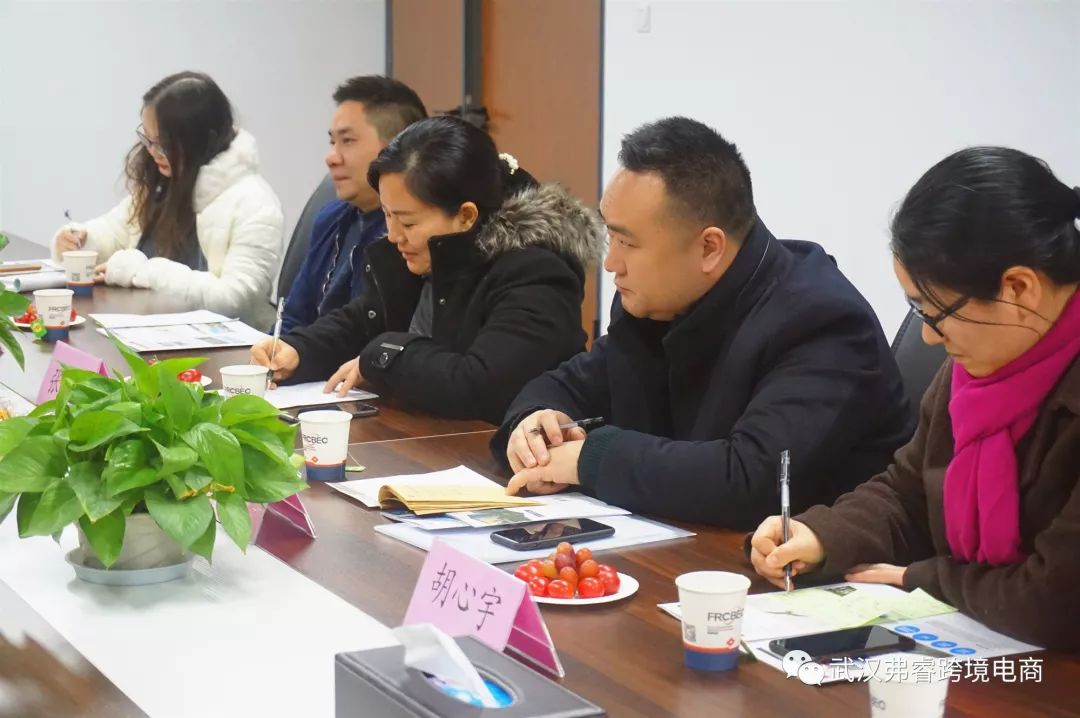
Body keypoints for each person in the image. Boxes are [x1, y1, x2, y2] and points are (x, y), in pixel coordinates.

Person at [496, 117, 913, 529]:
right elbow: (569, 384)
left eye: (627, 242)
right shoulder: (658, 303)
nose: (611, 263)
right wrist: (535, 424)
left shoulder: (822, 322)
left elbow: (753, 479)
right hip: (679, 546)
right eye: (611, 237)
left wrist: (592, 457)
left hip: (801, 563)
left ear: (709, 247)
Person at [750, 147, 1080, 650]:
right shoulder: (973, 371)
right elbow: (909, 492)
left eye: (935, 312)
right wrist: (822, 535)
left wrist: (920, 578)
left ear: (1018, 288)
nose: (928, 337)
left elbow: (1055, 601)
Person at [250, 116, 603, 423]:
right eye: (387, 215)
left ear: (466, 216)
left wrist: (383, 354)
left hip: (501, 454)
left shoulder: (535, 271)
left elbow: (479, 385)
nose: (393, 235)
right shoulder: (426, 249)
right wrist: (299, 350)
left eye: (407, 222)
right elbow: (363, 319)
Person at [53, 71, 282, 327]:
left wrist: (142, 271)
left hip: (223, 344)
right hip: (150, 331)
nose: (152, 152)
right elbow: (115, 231)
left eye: (163, 144)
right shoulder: (167, 182)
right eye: (148, 140)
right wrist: (81, 241)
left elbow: (234, 301)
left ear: (201, 139)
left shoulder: (255, 204)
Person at [280, 76, 427, 334]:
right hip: (306, 354)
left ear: (397, 148)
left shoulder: (408, 236)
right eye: (332, 142)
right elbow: (293, 316)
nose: (331, 158)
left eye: (347, 141)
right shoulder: (330, 218)